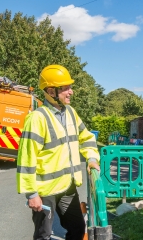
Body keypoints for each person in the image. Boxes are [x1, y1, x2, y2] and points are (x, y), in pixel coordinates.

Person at [16, 64, 100, 240]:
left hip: (67, 186)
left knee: (77, 228)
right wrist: (31, 194)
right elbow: (26, 158)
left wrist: (91, 158)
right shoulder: (37, 118)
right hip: (45, 191)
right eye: (66, 88)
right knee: (43, 235)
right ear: (51, 91)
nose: (71, 92)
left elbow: (87, 137)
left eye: (70, 87)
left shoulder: (71, 113)